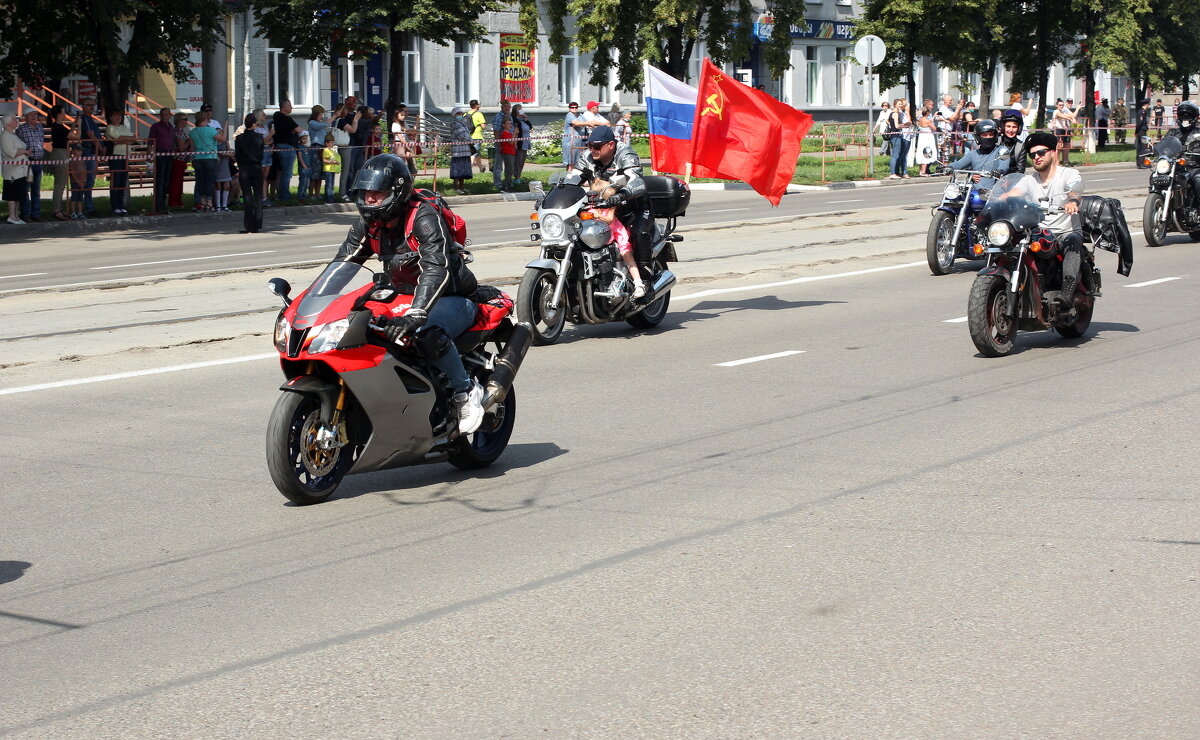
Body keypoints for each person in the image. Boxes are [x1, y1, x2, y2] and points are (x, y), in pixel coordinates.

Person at [334, 153, 485, 434]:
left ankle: (465, 392)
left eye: (376, 193)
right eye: (365, 192)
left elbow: (436, 270)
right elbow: (342, 264)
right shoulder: (370, 225)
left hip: (451, 297)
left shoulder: (423, 218)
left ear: (396, 192)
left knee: (426, 332)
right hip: (401, 295)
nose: (369, 199)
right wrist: (314, 302)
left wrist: (417, 313)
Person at [1001, 131, 1086, 311]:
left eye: (1041, 153)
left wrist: (1072, 201)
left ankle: (1067, 292)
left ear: (1053, 153)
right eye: (1033, 155)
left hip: (1065, 232)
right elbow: (1014, 193)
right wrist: (1002, 198)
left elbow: (1075, 189)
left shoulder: (1068, 174)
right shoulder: (1029, 180)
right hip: (1039, 232)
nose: (1037, 157)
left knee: (1072, 241)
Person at [565, 125, 655, 287]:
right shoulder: (587, 157)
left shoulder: (625, 154)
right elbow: (573, 178)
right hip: (602, 209)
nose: (592, 150)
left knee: (639, 233)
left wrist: (622, 195)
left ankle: (645, 281)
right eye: (590, 145)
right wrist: (558, 192)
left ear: (610, 145)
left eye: (597, 146)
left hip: (633, 209)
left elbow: (636, 180)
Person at [946, 119, 1007, 188]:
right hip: (973, 191)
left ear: (995, 136)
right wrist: (947, 167)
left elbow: (1004, 164)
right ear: (978, 137)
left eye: (991, 134)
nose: (988, 137)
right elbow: (959, 164)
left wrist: (999, 171)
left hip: (994, 192)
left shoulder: (1002, 150)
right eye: (984, 135)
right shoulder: (973, 154)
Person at [1164, 101, 1200, 217]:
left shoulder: (1198, 132)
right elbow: (1164, 145)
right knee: (1158, 178)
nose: (1185, 120)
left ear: (1194, 118)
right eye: (1183, 117)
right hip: (1175, 167)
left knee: (1198, 180)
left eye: (1188, 117)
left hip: (1194, 166)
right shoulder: (1173, 132)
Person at [188, 108, 224, 211]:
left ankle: (202, 202)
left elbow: (192, 147)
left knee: (200, 181)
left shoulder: (193, 132)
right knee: (209, 181)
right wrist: (224, 128)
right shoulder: (211, 130)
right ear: (204, 119)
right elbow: (222, 139)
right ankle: (209, 203)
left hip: (197, 159)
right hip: (210, 158)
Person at [73, 97, 103, 217]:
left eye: (93, 105)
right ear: (83, 106)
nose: (91, 107)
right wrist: (100, 147)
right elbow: (90, 134)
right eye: (88, 104)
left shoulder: (90, 118)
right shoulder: (85, 118)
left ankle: (87, 206)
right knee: (87, 180)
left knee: (90, 180)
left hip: (92, 152)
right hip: (88, 151)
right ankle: (88, 207)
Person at [234, 114, 264, 234]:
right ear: (253, 125)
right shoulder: (259, 137)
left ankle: (248, 225)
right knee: (258, 195)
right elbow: (261, 154)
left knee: (247, 196)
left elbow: (238, 155)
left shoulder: (240, 139)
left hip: (245, 168)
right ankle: (257, 224)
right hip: (256, 167)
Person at [103, 110, 135, 215]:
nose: (118, 117)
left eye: (119, 115)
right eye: (115, 115)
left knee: (122, 182)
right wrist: (125, 139)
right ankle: (115, 206)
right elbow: (116, 140)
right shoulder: (110, 127)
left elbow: (133, 138)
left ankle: (121, 205)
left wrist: (123, 139)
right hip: (115, 155)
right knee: (115, 181)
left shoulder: (124, 127)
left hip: (125, 156)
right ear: (111, 117)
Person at [15, 110, 45, 221]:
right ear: (25, 117)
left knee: (36, 189)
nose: (33, 117)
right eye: (30, 115)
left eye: (35, 114)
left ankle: (36, 214)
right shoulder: (21, 129)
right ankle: (25, 214)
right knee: (25, 189)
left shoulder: (40, 128)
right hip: (27, 162)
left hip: (39, 161)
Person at [272, 98, 305, 201]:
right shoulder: (287, 119)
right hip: (287, 148)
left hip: (278, 147)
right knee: (287, 173)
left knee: (280, 173)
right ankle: (285, 196)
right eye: (290, 106)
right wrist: (294, 132)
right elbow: (300, 130)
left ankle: (279, 195)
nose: (291, 108)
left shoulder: (276, 117)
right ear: (285, 106)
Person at [1, 113, 31, 224]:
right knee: (12, 194)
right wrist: (25, 152)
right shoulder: (5, 135)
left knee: (19, 193)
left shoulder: (12, 134)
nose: (17, 121)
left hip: (20, 169)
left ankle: (16, 216)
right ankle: (12, 216)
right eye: (14, 119)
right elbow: (11, 152)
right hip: (12, 170)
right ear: (8, 122)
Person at [337, 103, 369, 200]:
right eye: (346, 109)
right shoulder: (341, 121)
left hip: (353, 146)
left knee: (355, 169)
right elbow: (353, 130)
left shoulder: (343, 119)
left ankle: (353, 190)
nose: (347, 111)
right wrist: (356, 119)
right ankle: (343, 192)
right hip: (346, 147)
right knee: (347, 171)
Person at [147, 108, 175, 215]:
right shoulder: (155, 127)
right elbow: (150, 142)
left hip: (169, 154)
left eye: (167, 115)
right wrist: (149, 156)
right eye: (163, 115)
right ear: (160, 116)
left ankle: (163, 203)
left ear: (170, 116)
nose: (165, 117)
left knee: (167, 180)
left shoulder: (171, 128)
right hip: (160, 154)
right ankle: (158, 205)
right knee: (160, 180)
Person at [46, 105, 71, 220]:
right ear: (59, 114)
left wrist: (75, 123)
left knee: (61, 184)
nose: (65, 114)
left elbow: (69, 134)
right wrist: (79, 125)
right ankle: (56, 210)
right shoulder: (57, 126)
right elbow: (74, 136)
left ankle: (59, 208)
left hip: (62, 153)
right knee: (59, 184)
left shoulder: (60, 126)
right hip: (59, 154)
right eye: (63, 112)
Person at [170, 112, 193, 209]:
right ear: (178, 121)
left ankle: (177, 200)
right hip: (178, 160)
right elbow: (182, 148)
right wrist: (189, 142)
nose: (186, 121)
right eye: (184, 119)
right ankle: (174, 201)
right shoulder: (179, 132)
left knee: (178, 181)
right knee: (177, 181)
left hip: (179, 160)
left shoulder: (177, 131)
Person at [449, 107, 474, 195]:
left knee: (463, 171)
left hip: (465, 150)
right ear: (454, 115)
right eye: (458, 113)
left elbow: (467, 134)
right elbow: (461, 135)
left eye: (461, 113)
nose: (460, 115)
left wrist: (470, 140)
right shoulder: (454, 124)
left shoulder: (463, 124)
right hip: (457, 151)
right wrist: (471, 140)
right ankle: (456, 187)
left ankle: (462, 188)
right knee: (457, 171)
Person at [307, 105, 329, 199]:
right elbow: (320, 126)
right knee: (314, 173)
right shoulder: (312, 123)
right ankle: (311, 194)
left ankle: (317, 194)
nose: (322, 116)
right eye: (320, 114)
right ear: (316, 114)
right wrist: (333, 117)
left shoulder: (321, 125)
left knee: (320, 173)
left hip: (322, 148)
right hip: (316, 148)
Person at [887, 98, 912, 179]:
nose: (901, 105)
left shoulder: (894, 113)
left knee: (897, 155)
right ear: (895, 105)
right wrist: (904, 125)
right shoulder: (895, 113)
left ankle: (895, 172)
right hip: (896, 135)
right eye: (899, 104)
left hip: (897, 135)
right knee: (895, 155)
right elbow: (897, 126)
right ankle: (893, 173)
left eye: (901, 104)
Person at [998, 109, 1028, 174]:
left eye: (1014, 127)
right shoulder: (996, 142)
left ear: (1019, 129)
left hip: (1013, 181)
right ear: (1003, 127)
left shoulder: (1021, 146)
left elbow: (1020, 170)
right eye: (1008, 126)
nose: (1011, 130)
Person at [490, 99, 512, 190]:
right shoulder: (499, 117)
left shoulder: (510, 116)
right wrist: (498, 144)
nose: (507, 108)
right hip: (501, 144)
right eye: (505, 107)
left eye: (509, 107)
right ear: (502, 107)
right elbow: (496, 131)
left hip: (509, 144)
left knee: (509, 165)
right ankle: (498, 184)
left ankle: (508, 184)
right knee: (498, 166)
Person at [914, 105, 938, 176]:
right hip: (927, 137)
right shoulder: (927, 121)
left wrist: (934, 116)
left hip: (922, 136)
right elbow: (934, 128)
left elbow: (929, 121)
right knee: (926, 151)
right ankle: (923, 171)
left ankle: (921, 171)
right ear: (927, 112)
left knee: (921, 151)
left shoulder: (920, 119)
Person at [511, 104, 533, 180]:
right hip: (520, 142)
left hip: (526, 142)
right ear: (515, 111)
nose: (521, 110)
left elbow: (530, 127)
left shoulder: (523, 119)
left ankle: (519, 176)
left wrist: (526, 119)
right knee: (518, 161)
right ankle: (516, 177)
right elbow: (516, 130)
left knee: (522, 160)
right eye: (519, 109)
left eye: (521, 109)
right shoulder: (514, 119)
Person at [561, 101, 585, 167]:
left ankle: (573, 176)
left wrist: (601, 124)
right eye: (572, 107)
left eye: (576, 107)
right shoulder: (569, 115)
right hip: (570, 141)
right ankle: (569, 176)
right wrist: (589, 124)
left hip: (578, 141)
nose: (574, 108)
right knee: (570, 162)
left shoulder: (580, 115)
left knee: (576, 162)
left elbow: (587, 121)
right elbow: (576, 123)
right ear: (569, 108)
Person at [1052, 99, 1075, 166]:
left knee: (1066, 145)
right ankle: (1056, 162)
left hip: (1064, 129)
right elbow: (1063, 116)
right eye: (1060, 105)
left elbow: (1070, 115)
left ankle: (1065, 161)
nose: (1061, 106)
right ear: (1057, 105)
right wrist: (1070, 118)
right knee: (1058, 146)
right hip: (1058, 129)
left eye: (1062, 105)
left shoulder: (1062, 111)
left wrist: (1072, 118)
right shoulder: (1056, 112)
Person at [67, 141, 86, 220]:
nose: (80, 152)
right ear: (73, 151)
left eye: (81, 150)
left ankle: (80, 212)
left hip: (82, 181)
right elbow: (72, 172)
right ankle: (73, 212)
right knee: (74, 197)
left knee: (80, 198)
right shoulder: (72, 160)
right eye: (78, 150)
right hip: (75, 182)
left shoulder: (82, 160)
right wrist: (77, 181)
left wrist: (84, 181)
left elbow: (85, 170)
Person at [468, 99, 487, 174]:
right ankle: (468, 170)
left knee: (477, 153)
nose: (479, 105)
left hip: (468, 136)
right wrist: (480, 124)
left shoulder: (466, 114)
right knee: (474, 153)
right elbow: (483, 126)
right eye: (478, 104)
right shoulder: (478, 114)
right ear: (476, 105)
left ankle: (481, 168)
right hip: (476, 136)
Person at [497, 116, 516, 191]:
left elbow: (514, 142)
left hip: (512, 152)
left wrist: (515, 134)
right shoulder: (504, 133)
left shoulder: (510, 133)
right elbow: (511, 142)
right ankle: (506, 185)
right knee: (509, 170)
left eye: (510, 123)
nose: (510, 125)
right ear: (504, 125)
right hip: (507, 152)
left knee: (511, 169)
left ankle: (509, 184)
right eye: (508, 123)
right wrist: (514, 133)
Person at [320, 132, 340, 203]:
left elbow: (331, 159)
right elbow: (324, 160)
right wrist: (333, 162)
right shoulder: (326, 150)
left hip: (332, 169)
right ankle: (328, 198)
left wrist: (336, 162)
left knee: (331, 184)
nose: (333, 144)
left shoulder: (331, 150)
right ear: (326, 143)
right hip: (328, 170)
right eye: (331, 142)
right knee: (329, 184)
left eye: (333, 142)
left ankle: (330, 196)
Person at [1136, 98, 1152, 168]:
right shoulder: (1142, 112)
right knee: (1143, 147)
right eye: (1148, 104)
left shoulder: (1142, 111)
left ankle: (1139, 162)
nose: (1149, 105)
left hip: (1141, 131)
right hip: (1141, 131)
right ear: (1146, 104)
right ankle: (1141, 163)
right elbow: (1140, 123)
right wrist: (1136, 131)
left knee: (1140, 147)